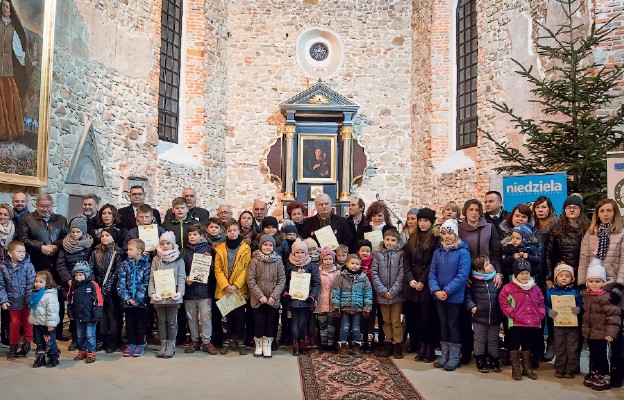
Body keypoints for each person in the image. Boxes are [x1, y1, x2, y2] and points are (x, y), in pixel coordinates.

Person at [577, 198, 624, 388]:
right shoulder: (591, 233)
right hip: (593, 285)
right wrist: (582, 284)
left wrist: (619, 286)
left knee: (614, 333)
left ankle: (617, 373)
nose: (605, 214)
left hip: (612, 286)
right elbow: (584, 258)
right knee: (595, 332)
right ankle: (598, 370)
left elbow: (623, 261)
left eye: (609, 211)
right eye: (602, 211)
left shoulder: (620, 233)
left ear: (615, 213)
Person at [543, 195, 589, 362]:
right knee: (556, 311)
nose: (571, 209)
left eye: (575, 207)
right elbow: (548, 254)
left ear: (580, 210)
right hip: (560, 277)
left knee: (577, 312)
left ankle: (575, 351)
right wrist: (549, 277)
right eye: (568, 207)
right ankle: (553, 345)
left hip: (580, 277)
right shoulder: (557, 228)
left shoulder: (588, 227)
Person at [17, 194, 69, 339]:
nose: (46, 209)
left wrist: (56, 246)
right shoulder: (27, 220)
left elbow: (66, 237)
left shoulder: (61, 219)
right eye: (42, 206)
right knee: (38, 299)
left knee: (56, 300)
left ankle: (57, 332)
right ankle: (38, 333)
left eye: (48, 206)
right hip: (37, 264)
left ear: (52, 205)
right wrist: (41, 247)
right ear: (36, 205)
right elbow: (22, 239)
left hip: (56, 265)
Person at [429, 219, 471, 371]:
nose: (446, 236)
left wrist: (446, 291)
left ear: (456, 234)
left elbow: (462, 275)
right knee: (443, 325)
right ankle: (444, 355)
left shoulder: (463, 252)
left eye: (450, 233)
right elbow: (432, 273)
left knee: (453, 325)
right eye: (444, 233)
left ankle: (454, 356)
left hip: (454, 296)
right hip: (439, 295)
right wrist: (436, 290)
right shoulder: (438, 252)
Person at [499, 259, 545, 380]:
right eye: (521, 273)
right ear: (515, 275)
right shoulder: (508, 288)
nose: (525, 276)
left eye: (527, 273)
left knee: (528, 344)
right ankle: (516, 368)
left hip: (531, 323)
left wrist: (540, 314)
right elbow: (503, 302)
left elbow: (541, 303)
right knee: (514, 344)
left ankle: (527, 368)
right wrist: (511, 313)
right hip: (516, 322)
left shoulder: (536, 289)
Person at [403, 207, 439, 362]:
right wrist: (410, 279)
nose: (422, 224)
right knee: (416, 317)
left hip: (426, 284)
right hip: (412, 283)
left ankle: (429, 348)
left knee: (427, 318)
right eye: (420, 220)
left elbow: (433, 263)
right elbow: (406, 260)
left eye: (426, 221)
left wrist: (422, 282)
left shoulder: (435, 239)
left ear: (431, 222)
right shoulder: (413, 237)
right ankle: (421, 346)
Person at [581, 260, 622, 391]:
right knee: (594, 354)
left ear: (603, 282)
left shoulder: (606, 297)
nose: (594, 284)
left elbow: (614, 317)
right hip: (591, 332)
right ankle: (596, 373)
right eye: (591, 281)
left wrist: (611, 333)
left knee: (601, 355)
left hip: (602, 333)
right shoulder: (586, 296)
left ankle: (605, 375)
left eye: (597, 281)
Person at [214, 219, 252, 355]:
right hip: (224, 290)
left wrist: (236, 285)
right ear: (226, 232)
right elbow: (217, 270)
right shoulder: (219, 249)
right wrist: (225, 285)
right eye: (229, 231)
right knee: (225, 317)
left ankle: (240, 341)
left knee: (240, 317)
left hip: (239, 290)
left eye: (234, 230)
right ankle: (226, 340)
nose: (232, 233)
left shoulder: (245, 249)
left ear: (238, 231)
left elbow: (246, 269)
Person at [56, 215, 93, 351]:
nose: (75, 234)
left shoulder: (88, 245)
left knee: (83, 310)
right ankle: (75, 338)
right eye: (73, 231)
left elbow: (91, 263)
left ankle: (85, 338)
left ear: (83, 232)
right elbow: (60, 264)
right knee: (72, 311)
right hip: (70, 283)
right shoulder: (64, 246)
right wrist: (68, 279)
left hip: (84, 283)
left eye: (78, 232)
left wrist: (84, 278)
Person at [246, 234, 286, 358]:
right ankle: (258, 344)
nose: (268, 247)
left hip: (272, 300)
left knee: (270, 322)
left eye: (270, 245)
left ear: (273, 247)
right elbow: (251, 280)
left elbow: (282, 280)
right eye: (265, 244)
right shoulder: (255, 260)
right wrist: (260, 296)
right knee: (258, 322)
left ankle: (267, 344)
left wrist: (273, 296)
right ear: (260, 245)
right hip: (258, 299)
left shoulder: (278, 261)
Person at [148, 231, 186, 358]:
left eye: (168, 243)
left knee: (171, 321)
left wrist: (180, 292)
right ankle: (163, 344)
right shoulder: (156, 259)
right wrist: (152, 293)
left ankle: (171, 345)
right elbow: (152, 277)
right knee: (161, 321)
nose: (165, 246)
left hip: (173, 297)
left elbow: (181, 277)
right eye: (162, 243)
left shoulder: (179, 259)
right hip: (159, 297)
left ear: (173, 244)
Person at [182, 224, 217, 355]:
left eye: (195, 234)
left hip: (204, 290)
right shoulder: (183, 251)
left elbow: (214, 271)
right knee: (191, 317)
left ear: (202, 236)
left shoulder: (208, 249)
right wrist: (186, 278)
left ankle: (207, 341)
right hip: (189, 291)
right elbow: (181, 268)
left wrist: (210, 262)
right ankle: (194, 340)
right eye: (190, 234)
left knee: (206, 317)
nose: (192, 236)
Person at [465, 256, 503, 373]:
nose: (491, 265)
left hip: (494, 316)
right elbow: (468, 296)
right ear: (480, 270)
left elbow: (501, 296)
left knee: (493, 339)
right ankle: (480, 358)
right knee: (479, 338)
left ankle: (494, 358)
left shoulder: (496, 280)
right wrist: (472, 307)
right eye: (487, 265)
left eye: (490, 263)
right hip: (479, 316)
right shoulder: (473, 282)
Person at [282, 238, 320, 356]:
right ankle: (295, 344)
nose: (300, 255)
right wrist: (285, 293)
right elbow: (284, 281)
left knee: (303, 322)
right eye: (297, 252)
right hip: (293, 299)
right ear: (293, 252)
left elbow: (316, 282)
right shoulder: (288, 264)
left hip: (306, 299)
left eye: (302, 252)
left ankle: (302, 341)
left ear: (306, 252)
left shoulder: (311, 265)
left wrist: (312, 296)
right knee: (294, 322)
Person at [372, 228, 405, 359]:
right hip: (383, 295)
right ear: (383, 240)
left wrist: (394, 290)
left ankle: (397, 345)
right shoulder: (377, 255)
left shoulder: (401, 254)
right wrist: (384, 291)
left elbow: (402, 274)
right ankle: (388, 342)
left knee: (395, 321)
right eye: (387, 239)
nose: (390, 242)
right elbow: (374, 274)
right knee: (386, 321)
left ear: (397, 241)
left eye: (393, 240)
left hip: (396, 295)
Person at [545, 263, 582, 379]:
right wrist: (549, 311)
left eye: (567, 275)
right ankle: (560, 368)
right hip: (558, 324)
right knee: (559, 346)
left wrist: (579, 309)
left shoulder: (576, 292)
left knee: (572, 347)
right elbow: (546, 305)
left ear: (572, 278)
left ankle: (570, 369)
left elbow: (581, 305)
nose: (564, 278)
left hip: (573, 325)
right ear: (556, 277)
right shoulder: (550, 291)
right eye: (561, 275)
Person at [88, 228, 122, 353]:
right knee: (101, 315)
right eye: (102, 235)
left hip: (112, 289)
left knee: (113, 315)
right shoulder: (95, 251)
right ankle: (102, 339)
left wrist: (107, 287)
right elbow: (90, 268)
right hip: (98, 286)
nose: (104, 237)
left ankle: (114, 340)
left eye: (107, 235)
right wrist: (95, 285)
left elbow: (117, 271)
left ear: (113, 237)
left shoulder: (118, 252)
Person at [0, 240, 35, 359]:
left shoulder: (28, 265)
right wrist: (3, 300)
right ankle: (13, 346)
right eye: (19, 251)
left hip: (27, 301)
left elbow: (31, 283)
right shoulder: (3, 267)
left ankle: (27, 344)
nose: (22, 254)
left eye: (24, 251)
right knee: (14, 324)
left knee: (28, 322)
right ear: (10, 253)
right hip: (12, 301)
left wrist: (29, 299)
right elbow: (1, 285)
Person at [332, 253, 373, 356]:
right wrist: (335, 306)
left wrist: (367, 307)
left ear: (360, 266)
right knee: (344, 327)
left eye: (357, 264)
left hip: (357, 308)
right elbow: (336, 291)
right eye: (352, 263)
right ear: (347, 264)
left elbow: (368, 293)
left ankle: (356, 346)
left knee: (356, 328)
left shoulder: (364, 278)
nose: (354, 266)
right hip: (345, 307)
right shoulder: (341, 277)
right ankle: (342, 347)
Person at [117, 239, 151, 358]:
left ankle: (140, 343)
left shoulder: (146, 264)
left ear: (139, 251)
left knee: (140, 324)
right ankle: (130, 343)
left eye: (131, 249)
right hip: (127, 301)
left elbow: (146, 283)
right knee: (130, 324)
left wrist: (138, 299)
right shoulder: (124, 264)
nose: (128, 252)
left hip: (141, 302)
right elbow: (121, 282)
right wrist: (127, 297)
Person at [0, 0, 28, 141]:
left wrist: (27, 63)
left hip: (7, 67)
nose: (5, 8)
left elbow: (18, 51)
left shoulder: (13, 29)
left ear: (11, 11)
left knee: (8, 96)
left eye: (7, 6)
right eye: (3, 6)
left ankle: (7, 131)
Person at [67, 262, 103, 364]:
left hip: (90, 316)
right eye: (76, 275)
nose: (78, 277)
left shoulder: (93, 285)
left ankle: (91, 352)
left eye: (81, 275)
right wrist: (69, 312)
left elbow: (98, 300)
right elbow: (70, 300)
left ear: (86, 274)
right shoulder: (73, 286)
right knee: (79, 335)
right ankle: (82, 351)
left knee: (90, 335)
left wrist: (97, 314)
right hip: (78, 316)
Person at [28, 270, 60, 368]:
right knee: (39, 341)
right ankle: (40, 356)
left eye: (41, 282)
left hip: (47, 325)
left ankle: (53, 356)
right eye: (36, 281)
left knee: (50, 342)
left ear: (48, 283)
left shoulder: (50, 295)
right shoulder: (34, 294)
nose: (37, 284)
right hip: (37, 323)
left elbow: (52, 311)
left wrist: (51, 324)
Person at [314, 247, 340, 351]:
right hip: (321, 301)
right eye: (325, 259)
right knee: (322, 324)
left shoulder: (337, 272)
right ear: (321, 260)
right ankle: (323, 343)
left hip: (332, 302)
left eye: (330, 259)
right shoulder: (318, 271)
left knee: (331, 324)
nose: (328, 261)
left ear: (333, 259)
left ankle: (331, 343)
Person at [355, 240, 375, 352]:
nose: (365, 253)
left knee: (370, 320)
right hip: (358, 298)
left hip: (372, 298)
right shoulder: (355, 263)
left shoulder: (374, 263)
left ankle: (370, 342)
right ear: (358, 252)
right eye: (363, 251)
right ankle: (361, 342)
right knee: (360, 320)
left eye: (368, 251)